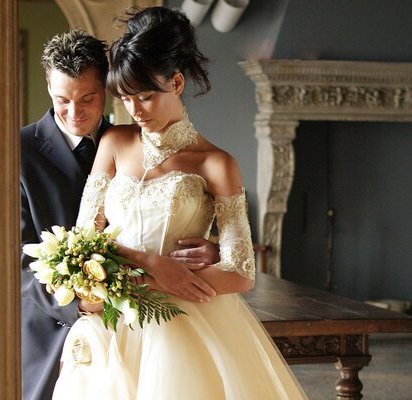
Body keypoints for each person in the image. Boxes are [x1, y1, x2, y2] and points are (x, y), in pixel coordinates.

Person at [52, 7, 307, 399]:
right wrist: (153, 266)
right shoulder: (114, 143)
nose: (135, 110)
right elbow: (86, 240)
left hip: (186, 327)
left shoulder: (217, 164)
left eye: (146, 96)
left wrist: (160, 279)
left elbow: (240, 272)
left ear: (176, 82)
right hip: (113, 324)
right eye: (126, 98)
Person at [20, 30, 220, 400]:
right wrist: (77, 301)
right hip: (51, 331)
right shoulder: (16, 151)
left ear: (108, 89)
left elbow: (172, 216)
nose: (74, 112)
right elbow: (11, 259)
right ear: (48, 88)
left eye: (88, 98)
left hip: (144, 324)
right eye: (61, 99)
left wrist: (211, 248)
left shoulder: (135, 139)